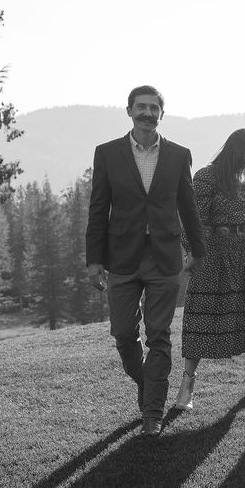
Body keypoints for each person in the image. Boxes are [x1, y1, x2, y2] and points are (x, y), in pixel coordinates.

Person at [85, 85, 206, 437]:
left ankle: (152, 412)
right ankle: (146, 384)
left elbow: (188, 205)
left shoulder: (179, 154)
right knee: (123, 334)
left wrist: (197, 249)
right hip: (121, 258)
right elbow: (98, 209)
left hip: (165, 258)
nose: (148, 113)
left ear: (162, 114)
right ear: (129, 111)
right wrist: (94, 260)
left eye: (154, 108)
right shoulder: (107, 153)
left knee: (159, 335)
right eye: (142, 107)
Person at [175, 128, 245, 409]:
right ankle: (187, 386)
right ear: (239, 150)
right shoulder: (206, 176)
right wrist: (192, 251)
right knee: (201, 313)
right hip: (213, 250)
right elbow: (193, 218)